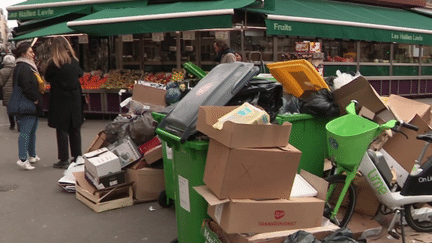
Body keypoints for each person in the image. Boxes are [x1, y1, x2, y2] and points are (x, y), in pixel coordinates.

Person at [44, 36, 84, 169]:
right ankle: (77, 156)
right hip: (74, 99)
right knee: (75, 128)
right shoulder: (74, 61)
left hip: (60, 100)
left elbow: (47, 77)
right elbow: (80, 74)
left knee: (62, 130)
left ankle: (64, 158)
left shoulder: (53, 63)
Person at [11, 42, 42, 170]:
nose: (33, 54)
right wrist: (35, 99)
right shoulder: (24, 67)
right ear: (24, 53)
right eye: (30, 51)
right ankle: (23, 158)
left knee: (32, 131)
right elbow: (27, 86)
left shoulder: (24, 66)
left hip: (27, 103)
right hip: (26, 103)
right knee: (26, 131)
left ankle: (32, 155)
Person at [0, 55, 17, 130]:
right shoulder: (17, 69)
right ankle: (19, 123)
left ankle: (12, 124)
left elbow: (0, 83)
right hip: (16, 91)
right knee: (17, 107)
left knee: (9, 109)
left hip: (7, 93)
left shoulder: (2, 71)